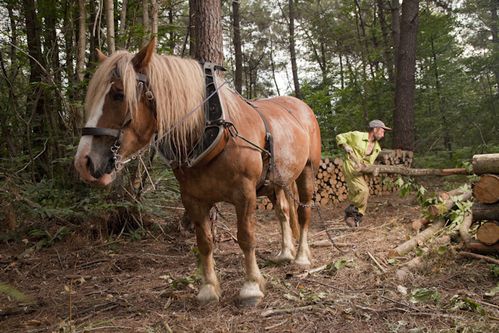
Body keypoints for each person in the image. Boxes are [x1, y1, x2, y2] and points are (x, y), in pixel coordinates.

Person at [336, 120, 391, 227]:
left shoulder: (377, 148)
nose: (383, 135)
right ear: (375, 129)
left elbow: (368, 163)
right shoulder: (357, 136)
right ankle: (350, 213)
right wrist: (345, 145)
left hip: (360, 170)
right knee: (363, 190)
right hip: (350, 166)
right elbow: (339, 136)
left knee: (358, 192)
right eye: (382, 131)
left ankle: (356, 219)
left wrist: (370, 170)